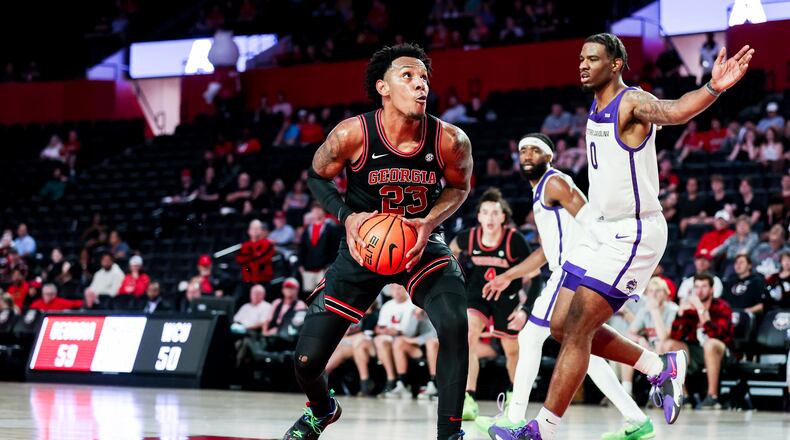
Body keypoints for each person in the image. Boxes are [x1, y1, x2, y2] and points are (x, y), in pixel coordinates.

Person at [493, 33, 753, 440]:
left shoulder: (630, 102)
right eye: (581, 58)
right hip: (601, 228)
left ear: (615, 64)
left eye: (593, 59)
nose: (583, 64)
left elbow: (675, 111)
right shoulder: (593, 106)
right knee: (560, 327)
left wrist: (713, 87)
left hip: (635, 231)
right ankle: (658, 366)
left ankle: (540, 430)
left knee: (577, 330)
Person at [283, 43, 472, 440]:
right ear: (383, 87)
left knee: (455, 324)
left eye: (424, 78)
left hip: (420, 244)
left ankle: (450, 434)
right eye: (408, 76)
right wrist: (347, 216)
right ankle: (322, 409)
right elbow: (318, 176)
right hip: (362, 249)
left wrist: (430, 221)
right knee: (305, 360)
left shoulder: (450, 140)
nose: (420, 84)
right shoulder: (353, 133)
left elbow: (459, 187)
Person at [484, 134, 655, 439]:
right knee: (581, 349)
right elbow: (543, 252)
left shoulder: (555, 183)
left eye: (535, 150)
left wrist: (609, 256)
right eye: (523, 149)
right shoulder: (540, 191)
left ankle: (513, 418)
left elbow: (589, 216)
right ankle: (636, 419)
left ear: (549, 156)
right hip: (563, 267)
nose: (527, 155)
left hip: (573, 269)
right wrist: (509, 275)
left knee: (531, 337)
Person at [449, 188, 532, 420]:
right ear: (479, 216)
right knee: (468, 337)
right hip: (478, 293)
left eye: (495, 213)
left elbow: (534, 277)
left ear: (503, 217)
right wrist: (453, 279)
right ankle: (467, 397)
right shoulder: (469, 237)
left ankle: (514, 399)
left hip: (508, 298)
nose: (490, 218)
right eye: (485, 212)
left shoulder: (514, 240)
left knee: (512, 352)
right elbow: (451, 251)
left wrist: (525, 309)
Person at [661, 273, 734, 410]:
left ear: (712, 290)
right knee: (670, 345)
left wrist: (701, 310)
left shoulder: (722, 307)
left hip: (721, 353)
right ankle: (683, 396)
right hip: (697, 352)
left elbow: (716, 335)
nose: (700, 290)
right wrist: (681, 314)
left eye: (704, 286)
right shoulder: (690, 309)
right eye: (697, 287)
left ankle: (712, 397)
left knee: (710, 344)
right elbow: (676, 336)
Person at [374, 284, 417, 397]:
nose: (396, 291)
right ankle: (391, 379)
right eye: (393, 289)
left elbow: (409, 331)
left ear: (405, 290)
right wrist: (385, 331)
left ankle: (403, 383)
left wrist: (395, 332)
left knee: (397, 341)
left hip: (408, 339)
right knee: (379, 340)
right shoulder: (387, 305)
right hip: (390, 337)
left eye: (399, 288)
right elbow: (379, 327)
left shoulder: (412, 304)